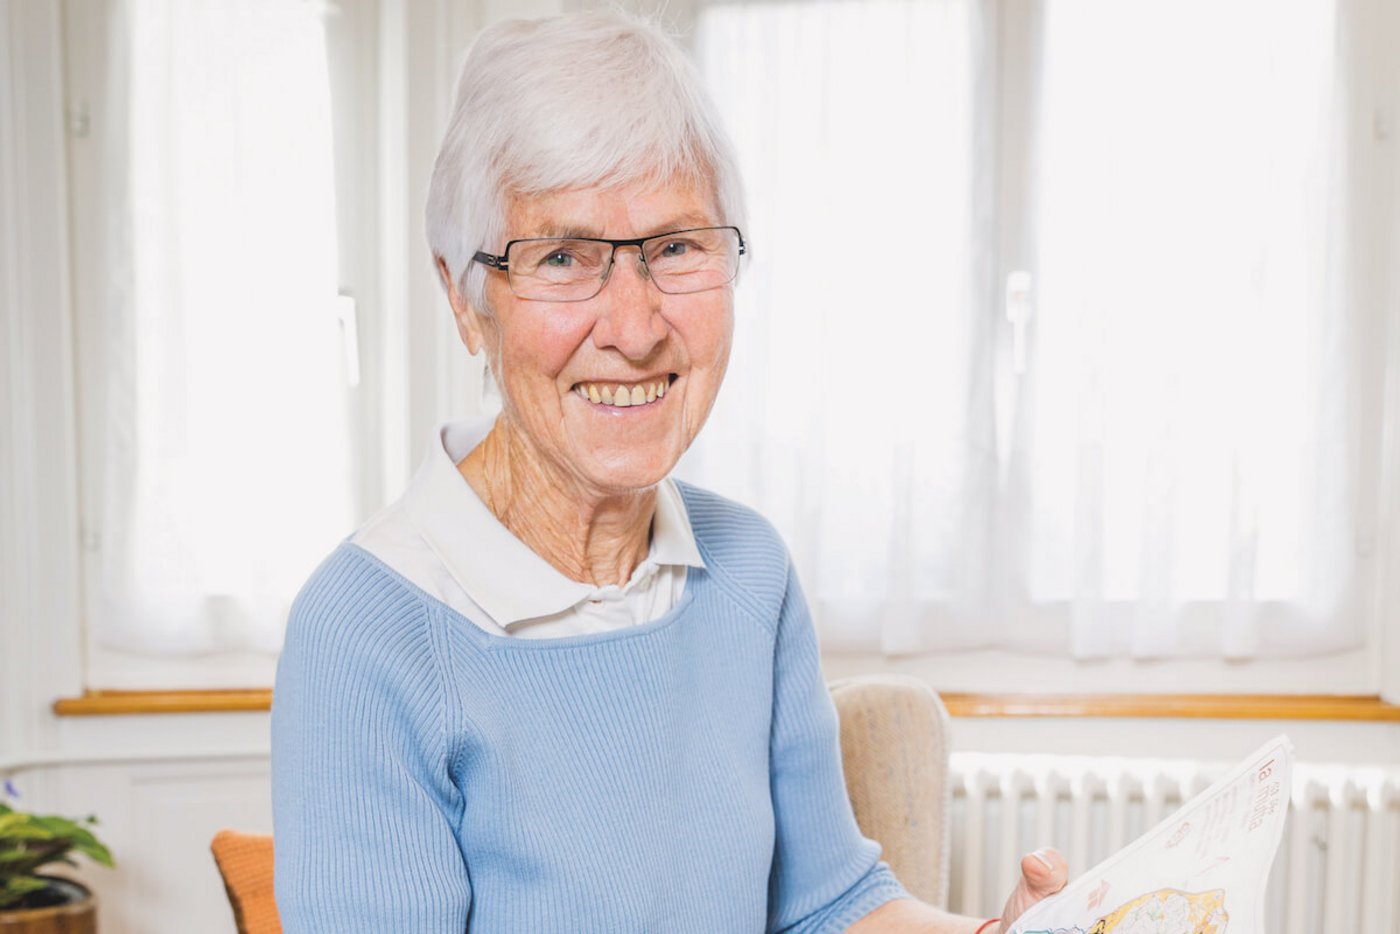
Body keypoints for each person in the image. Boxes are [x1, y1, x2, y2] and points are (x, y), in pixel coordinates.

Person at [270, 10, 1067, 933]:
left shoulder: (750, 570)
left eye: (677, 248)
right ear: (464, 297)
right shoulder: (364, 635)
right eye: (563, 256)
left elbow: (829, 905)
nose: (637, 326)